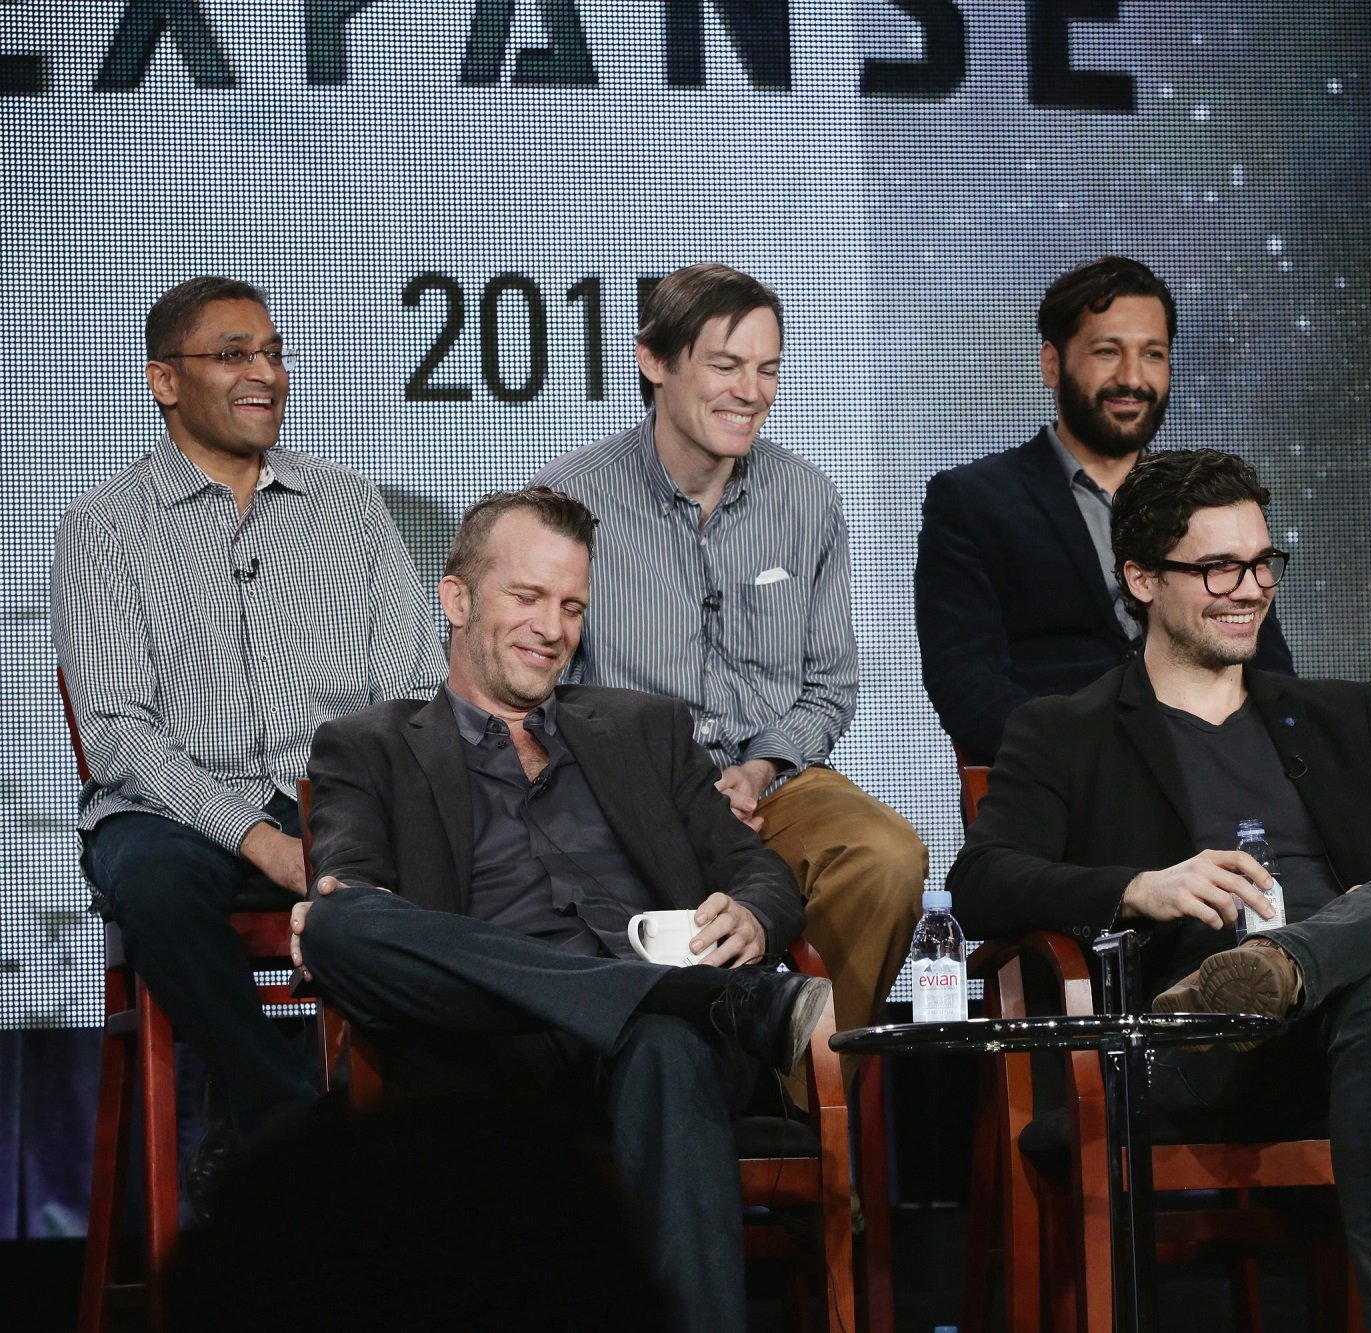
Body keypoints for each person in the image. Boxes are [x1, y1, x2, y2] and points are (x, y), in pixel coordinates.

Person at [948, 448, 1371, 1329]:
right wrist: (1142, 885)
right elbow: (980, 881)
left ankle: (1297, 958)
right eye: (1217, 567)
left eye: (1261, 563)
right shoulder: (1067, 730)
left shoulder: (1341, 716)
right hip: (1206, 1041)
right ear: (1141, 578)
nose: (1248, 588)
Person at [294, 487, 828, 1331]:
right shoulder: (370, 744)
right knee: (334, 925)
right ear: (458, 597)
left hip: (657, 1050)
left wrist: (757, 916)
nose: (553, 626)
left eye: (572, 605)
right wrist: (343, 904)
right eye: (529, 596)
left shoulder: (644, 727)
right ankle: (672, 995)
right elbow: (347, 881)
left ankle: (661, 1001)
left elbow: (755, 869)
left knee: (663, 1040)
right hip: (488, 1043)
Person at [51, 276, 444, 1204]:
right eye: (234, 355)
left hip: (331, 795)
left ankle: (436, 1146)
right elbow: (116, 731)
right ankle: (291, 1118)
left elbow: (413, 686)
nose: (265, 373)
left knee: (459, 867)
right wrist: (258, 837)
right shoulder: (103, 529)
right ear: (164, 381)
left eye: (273, 353)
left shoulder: (347, 509)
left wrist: (343, 815)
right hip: (174, 810)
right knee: (152, 879)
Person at [532, 264, 923, 1044]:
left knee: (885, 855)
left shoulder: (806, 499)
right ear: (654, 362)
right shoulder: (570, 502)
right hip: (629, 795)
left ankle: (808, 1084)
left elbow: (828, 686)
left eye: (767, 368)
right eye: (725, 364)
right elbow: (540, 691)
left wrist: (759, 767)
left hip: (769, 786)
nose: (752, 391)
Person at [915, 256, 1294, 766]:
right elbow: (966, 684)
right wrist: (1087, 761)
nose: (1132, 378)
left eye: (1153, 354)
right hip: (1072, 784)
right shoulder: (972, 501)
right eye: (1107, 352)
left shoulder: (1209, 499)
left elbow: (1265, 664)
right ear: (1052, 363)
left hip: (1222, 768)